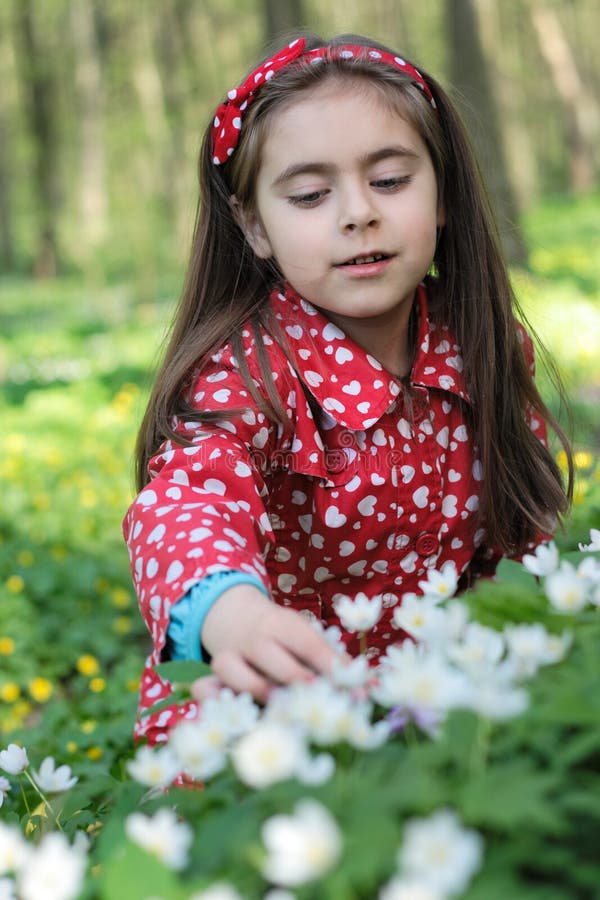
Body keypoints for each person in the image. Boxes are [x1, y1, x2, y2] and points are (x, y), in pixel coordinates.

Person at [123, 32, 572, 744]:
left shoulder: (480, 346)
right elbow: (186, 501)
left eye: (390, 181)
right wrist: (229, 611)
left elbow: (514, 553)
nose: (357, 212)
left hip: (438, 712)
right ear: (255, 226)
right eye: (309, 194)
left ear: (444, 195)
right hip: (264, 722)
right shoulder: (248, 377)